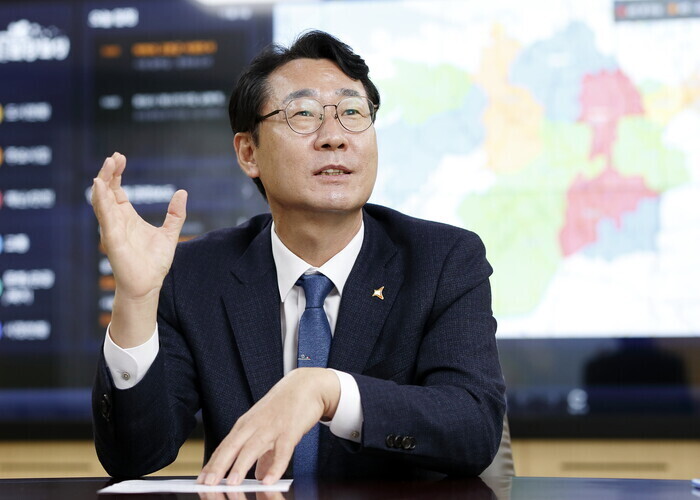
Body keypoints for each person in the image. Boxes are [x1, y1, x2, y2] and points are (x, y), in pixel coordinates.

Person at [91, 30, 505, 484]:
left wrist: (329, 390)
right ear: (249, 153)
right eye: (304, 114)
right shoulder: (194, 275)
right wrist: (135, 300)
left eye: (352, 112)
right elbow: (134, 457)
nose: (334, 137)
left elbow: (473, 427)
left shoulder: (443, 261)